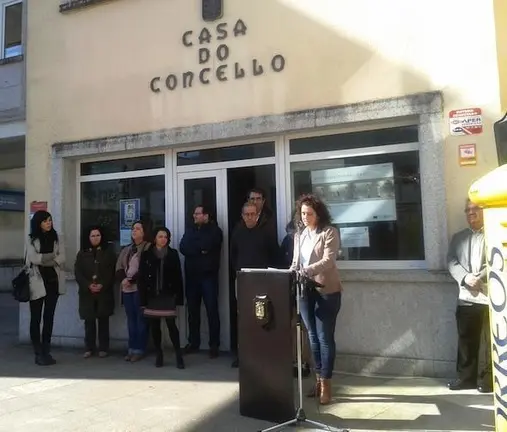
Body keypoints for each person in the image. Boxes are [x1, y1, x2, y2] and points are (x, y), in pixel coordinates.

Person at [291, 194, 342, 405]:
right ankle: (318, 379)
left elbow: (329, 260)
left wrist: (306, 270)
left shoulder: (329, 232)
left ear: (318, 214)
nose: (305, 217)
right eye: (303, 213)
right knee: (312, 336)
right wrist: (291, 271)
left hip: (326, 291)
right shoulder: (300, 235)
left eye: (309, 213)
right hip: (305, 291)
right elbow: (296, 261)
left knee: (324, 337)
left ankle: (326, 384)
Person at [447, 198, 492, 393]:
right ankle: (466, 379)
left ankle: (489, 380)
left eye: (475, 208)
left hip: (490, 297)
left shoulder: (494, 234)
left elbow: (497, 260)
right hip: (466, 297)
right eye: (467, 210)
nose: (471, 213)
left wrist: (478, 278)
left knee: (491, 341)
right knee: (466, 341)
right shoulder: (458, 237)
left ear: (484, 210)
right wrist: (465, 278)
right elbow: (451, 260)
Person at [230, 201, 280, 368]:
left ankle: (262, 354)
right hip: (243, 280)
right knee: (243, 318)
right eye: (247, 214)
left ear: (258, 215)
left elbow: (274, 256)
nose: (250, 217)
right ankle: (244, 355)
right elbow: (233, 255)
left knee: (263, 317)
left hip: (263, 280)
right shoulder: (237, 232)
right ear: (242, 216)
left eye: (253, 214)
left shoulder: (266, 232)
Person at [180, 205, 223, 358]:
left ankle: (214, 345)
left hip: (208, 276)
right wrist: (200, 250)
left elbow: (207, 245)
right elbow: (183, 247)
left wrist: (196, 248)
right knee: (192, 311)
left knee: (211, 310)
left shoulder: (215, 231)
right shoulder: (190, 230)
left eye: (198, 213)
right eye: (194, 213)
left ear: (206, 216)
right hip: (192, 277)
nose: (194, 216)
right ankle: (194, 342)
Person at [139, 227, 185, 369]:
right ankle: (159, 354)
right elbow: (142, 277)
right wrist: (142, 299)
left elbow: (178, 276)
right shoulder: (146, 254)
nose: (163, 239)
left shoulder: (172, 254)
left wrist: (179, 297)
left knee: (171, 325)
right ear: (155, 238)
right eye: (160, 236)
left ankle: (178, 355)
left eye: (165, 237)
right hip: (152, 295)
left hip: (168, 294)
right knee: (155, 326)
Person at [26, 210, 66, 366]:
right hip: (36, 282)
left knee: (49, 318)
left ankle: (46, 350)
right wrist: (52, 257)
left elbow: (62, 257)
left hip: (53, 282)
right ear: (38, 223)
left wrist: (45, 259)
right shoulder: (31, 239)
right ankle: (37, 352)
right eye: (45, 221)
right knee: (35, 318)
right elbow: (34, 259)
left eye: (50, 220)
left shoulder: (57, 237)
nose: (48, 223)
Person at [74, 225, 116, 358]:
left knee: (103, 320)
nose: (95, 238)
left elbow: (112, 272)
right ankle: (89, 348)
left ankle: (103, 348)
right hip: (87, 293)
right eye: (92, 236)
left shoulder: (108, 252)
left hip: (104, 292)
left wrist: (102, 284)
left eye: (98, 235)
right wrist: (88, 285)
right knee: (89, 321)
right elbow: (78, 273)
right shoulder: (82, 253)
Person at [115, 220, 151, 362]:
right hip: (126, 289)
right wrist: (124, 279)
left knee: (141, 319)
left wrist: (131, 280)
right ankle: (131, 348)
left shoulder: (148, 248)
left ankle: (140, 349)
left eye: (138, 229)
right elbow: (118, 267)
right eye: (133, 229)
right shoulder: (127, 249)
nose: (134, 231)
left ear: (144, 232)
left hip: (139, 289)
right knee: (131, 319)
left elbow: (146, 269)